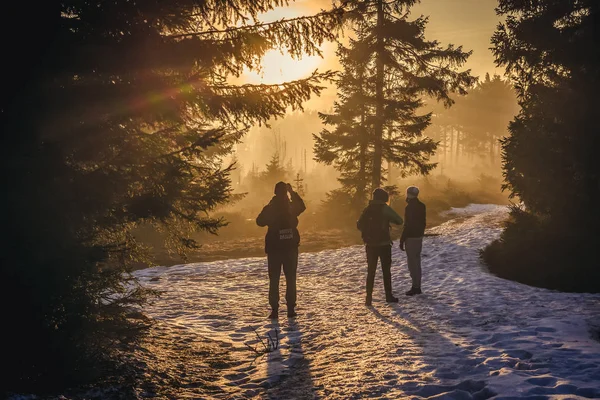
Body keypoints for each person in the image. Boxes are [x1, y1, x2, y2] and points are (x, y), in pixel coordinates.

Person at [256, 181, 306, 319]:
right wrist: (292, 192)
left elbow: (259, 221)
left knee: (274, 279)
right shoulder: (291, 206)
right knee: (291, 278)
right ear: (286, 192)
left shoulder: (271, 208)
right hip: (290, 248)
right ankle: (290, 309)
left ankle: (275, 310)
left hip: (274, 249)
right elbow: (302, 206)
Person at [357, 188, 404, 306]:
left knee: (371, 272)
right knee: (386, 271)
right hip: (384, 244)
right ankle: (388, 296)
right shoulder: (385, 208)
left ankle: (368, 298)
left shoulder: (367, 209)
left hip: (370, 245)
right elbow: (399, 221)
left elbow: (359, 225)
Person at [399, 186, 426, 296]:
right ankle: (417, 285)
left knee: (412, 264)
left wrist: (402, 239)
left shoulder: (409, 207)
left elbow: (407, 225)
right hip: (419, 237)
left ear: (409, 194)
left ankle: (415, 287)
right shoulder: (422, 206)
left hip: (411, 237)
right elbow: (423, 222)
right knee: (417, 261)